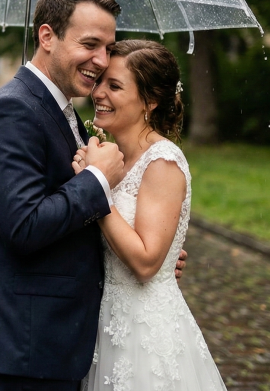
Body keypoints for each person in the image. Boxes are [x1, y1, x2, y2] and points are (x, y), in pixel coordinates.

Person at [0, 0, 186, 391]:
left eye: (108, 47)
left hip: (65, 341)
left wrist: (154, 253)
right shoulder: (12, 111)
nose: (100, 60)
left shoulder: (63, 111)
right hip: (28, 344)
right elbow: (25, 226)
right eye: (89, 44)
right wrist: (97, 180)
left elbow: (72, 216)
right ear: (47, 37)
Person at [75, 39, 227, 391]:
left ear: (150, 101)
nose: (98, 92)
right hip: (102, 325)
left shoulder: (163, 162)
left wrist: (94, 189)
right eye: (100, 81)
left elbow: (145, 264)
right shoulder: (110, 156)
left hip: (145, 333)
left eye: (114, 86)